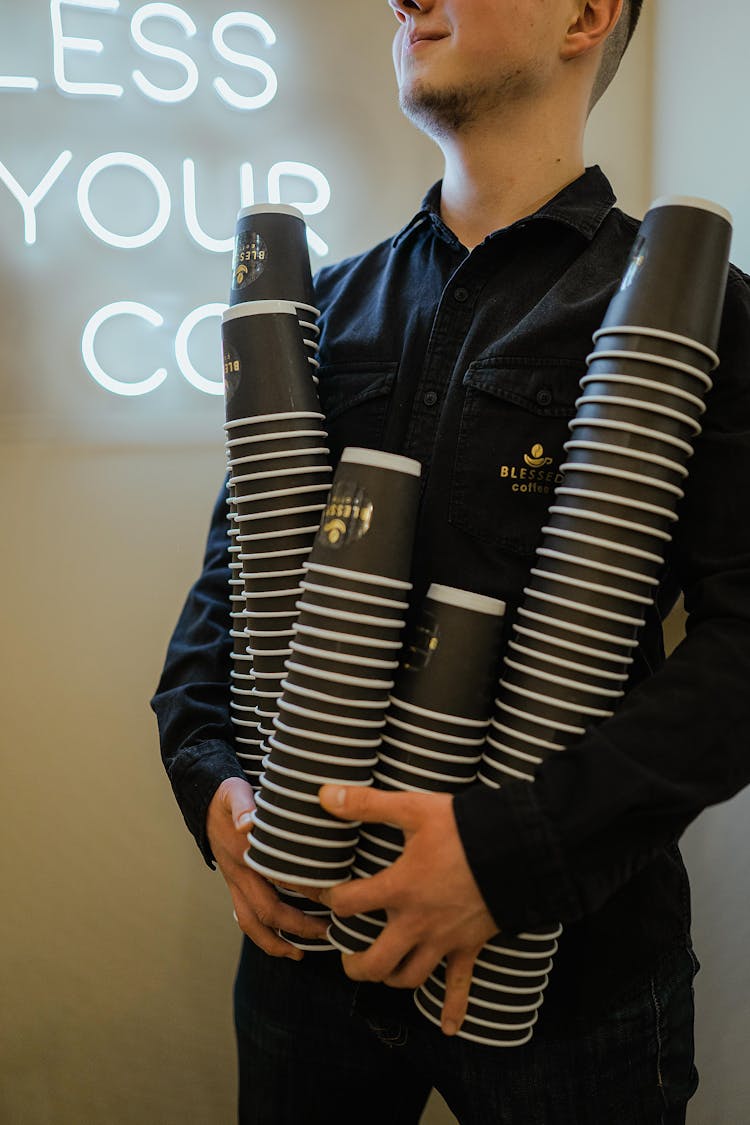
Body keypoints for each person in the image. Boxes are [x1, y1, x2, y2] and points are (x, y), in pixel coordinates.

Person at [151, 1, 750, 1121]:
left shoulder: (701, 310)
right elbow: (227, 587)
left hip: (564, 981)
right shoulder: (327, 309)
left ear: (585, 15)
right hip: (305, 951)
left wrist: (510, 855)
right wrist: (213, 783)